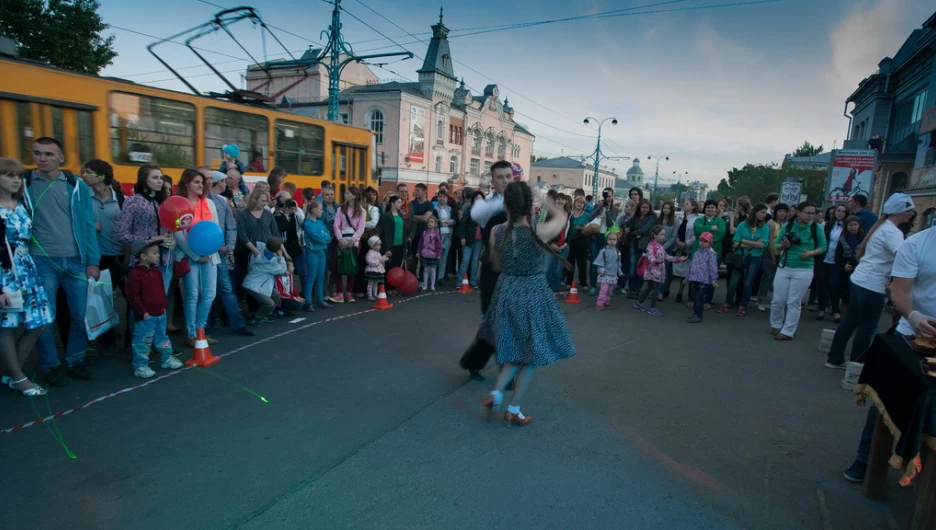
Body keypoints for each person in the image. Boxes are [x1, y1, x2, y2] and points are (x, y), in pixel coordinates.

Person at [841, 225, 936, 483]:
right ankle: (866, 458)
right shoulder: (917, 244)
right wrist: (914, 316)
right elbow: (900, 291)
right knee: (887, 396)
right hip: (913, 336)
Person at [478, 181, 575, 426]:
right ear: (529, 206)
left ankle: (496, 392)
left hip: (506, 291)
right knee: (530, 357)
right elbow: (562, 217)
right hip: (532, 293)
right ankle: (513, 409)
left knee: (514, 350)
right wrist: (543, 197)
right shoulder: (538, 232)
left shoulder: (497, 231)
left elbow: (496, 265)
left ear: (506, 204)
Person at [23, 137, 100, 387]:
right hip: (41, 261)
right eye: (37, 153)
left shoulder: (74, 185)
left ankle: (75, 360)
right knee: (45, 319)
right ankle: (51, 364)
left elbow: (88, 224)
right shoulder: (24, 183)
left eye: (48, 154)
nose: (42, 158)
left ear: (61, 158)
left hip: (76, 261)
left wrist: (93, 260)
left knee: (80, 316)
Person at [825, 193, 916, 368]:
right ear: (900, 211)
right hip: (872, 285)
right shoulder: (893, 232)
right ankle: (856, 365)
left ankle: (835, 358)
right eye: (909, 210)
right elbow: (904, 258)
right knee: (866, 328)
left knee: (850, 321)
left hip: (860, 280)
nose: (911, 214)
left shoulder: (882, 228)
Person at [0, 157, 53, 396]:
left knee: (39, 321)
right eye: (8, 175)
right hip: (5, 271)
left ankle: (12, 373)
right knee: (7, 325)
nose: (15, 180)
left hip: (26, 268)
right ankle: (19, 378)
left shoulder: (22, 203)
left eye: (18, 176)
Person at [459, 160, 510, 381]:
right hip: (492, 270)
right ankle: (480, 364)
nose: (506, 181)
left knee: (508, 321)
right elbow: (477, 214)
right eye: (501, 177)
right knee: (493, 320)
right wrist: (509, 202)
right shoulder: (486, 205)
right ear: (493, 181)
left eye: (509, 176)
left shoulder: (521, 206)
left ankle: (496, 368)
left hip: (513, 271)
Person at [79, 159, 124, 354]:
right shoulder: (82, 197)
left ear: (102, 176)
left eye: (88, 172)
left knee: (127, 295)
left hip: (119, 254)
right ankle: (105, 339)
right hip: (97, 256)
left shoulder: (121, 199)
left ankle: (132, 337)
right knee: (100, 297)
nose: (83, 175)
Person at [173, 169, 221, 348]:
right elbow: (178, 234)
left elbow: (215, 228)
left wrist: (210, 250)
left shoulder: (209, 203)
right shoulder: (179, 204)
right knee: (192, 295)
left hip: (209, 255)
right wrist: (194, 255)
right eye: (196, 182)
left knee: (209, 293)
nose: (201, 185)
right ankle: (191, 334)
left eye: (202, 182)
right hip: (189, 255)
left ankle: (201, 331)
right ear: (186, 184)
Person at [206, 170, 255, 338]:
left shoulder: (221, 201)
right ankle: (205, 326)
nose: (225, 184)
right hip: (202, 252)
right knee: (206, 291)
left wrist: (228, 246)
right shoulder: (201, 201)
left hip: (219, 253)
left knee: (226, 288)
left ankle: (238, 324)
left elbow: (230, 225)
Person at [126, 240, 183, 378]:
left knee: (162, 338)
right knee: (142, 341)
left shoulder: (156, 271)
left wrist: (163, 307)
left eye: (158, 253)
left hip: (159, 313)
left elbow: (162, 290)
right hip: (146, 316)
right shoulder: (135, 274)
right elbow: (133, 295)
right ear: (143, 256)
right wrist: (143, 312)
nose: (158, 256)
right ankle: (140, 366)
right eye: (155, 253)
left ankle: (166, 358)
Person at [770, 201, 826, 341]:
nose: (810, 216)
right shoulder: (788, 225)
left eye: (812, 213)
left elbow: (823, 246)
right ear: (799, 212)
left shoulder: (816, 228)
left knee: (794, 301)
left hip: (804, 268)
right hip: (785, 266)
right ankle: (776, 324)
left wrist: (811, 253)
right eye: (807, 213)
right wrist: (783, 246)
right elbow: (777, 245)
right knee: (778, 299)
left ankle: (788, 331)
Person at [717, 203, 770, 317]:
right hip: (740, 256)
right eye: (762, 212)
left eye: (765, 213)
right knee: (733, 282)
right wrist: (753, 244)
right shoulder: (743, 225)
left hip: (755, 257)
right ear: (755, 212)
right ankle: (727, 303)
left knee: (748, 283)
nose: (764, 215)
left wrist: (745, 241)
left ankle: (742, 306)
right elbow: (736, 242)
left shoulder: (764, 227)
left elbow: (763, 245)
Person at [236, 186, 280, 298]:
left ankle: (267, 309)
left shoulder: (268, 214)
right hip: (249, 253)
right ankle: (254, 309)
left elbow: (275, 234)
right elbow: (242, 235)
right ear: (255, 199)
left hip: (268, 252)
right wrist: (256, 252)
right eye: (263, 200)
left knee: (268, 281)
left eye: (267, 201)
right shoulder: (243, 215)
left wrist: (282, 253)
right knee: (252, 281)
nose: (265, 203)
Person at [635, 225, 686, 316]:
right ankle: (652, 307)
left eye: (664, 234)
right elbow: (650, 257)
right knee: (655, 290)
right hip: (653, 273)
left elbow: (666, 257)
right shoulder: (651, 246)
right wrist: (656, 261)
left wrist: (678, 259)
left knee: (649, 288)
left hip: (657, 273)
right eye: (661, 234)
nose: (663, 236)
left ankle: (640, 302)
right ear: (654, 235)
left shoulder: (660, 246)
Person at [244, 237, 287, 325]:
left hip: (261, 283)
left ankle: (266, 314)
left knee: (276, 295)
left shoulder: (266, 252)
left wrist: (278, 256)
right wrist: (281, 257)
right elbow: (282, 270)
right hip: (253, 286)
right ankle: (256, 318)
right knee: (269, 304)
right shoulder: (269, 262)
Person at [816, 204, 849, 320]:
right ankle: (821, 309)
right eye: (838, 211)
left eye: (843, 212)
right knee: (822, 284)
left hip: (836, 261)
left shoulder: (846, 227)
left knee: (833, 285)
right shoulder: (826, 225)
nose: (840, 213)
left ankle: (835, 310)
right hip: (823, 259)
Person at [333, 186, 365, 302]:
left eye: (347, 193)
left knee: (352, 266)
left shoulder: (361, 211)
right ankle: (340, 293)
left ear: (354, 196)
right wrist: (340, 240)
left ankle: (349, 293)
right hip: (342, 240)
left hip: (354, 242)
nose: (345, 195)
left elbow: (361, 228)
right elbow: (336, 225)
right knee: (338, 266)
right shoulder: (340, 209)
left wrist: (353, 240)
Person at [692, 200, 727, 309]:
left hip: (713, 253)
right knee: (695, 277)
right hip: (698, 253)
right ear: (704, 208)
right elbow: (697, 230)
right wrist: (711, 228)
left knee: (711, 277)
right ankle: (693, 299)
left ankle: (708, 300)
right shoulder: (699, 219)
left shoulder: (720, 221)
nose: (710, 209)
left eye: (712, 207)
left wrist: (705, 234)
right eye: (708, 207)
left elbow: (720, 234)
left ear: (716, 209)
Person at [301, 200, 332, 312]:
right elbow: (318, 237)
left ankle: (320, 299)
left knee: (320, 277)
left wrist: (322, 238)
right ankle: (308, 301)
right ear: (314, 210)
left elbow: (328, 236)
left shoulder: (319, 223)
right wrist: (323, 238)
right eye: (320, 209)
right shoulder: (307, 223)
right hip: (312, 253)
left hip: (321, 252)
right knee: (311, 278)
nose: (322, 212)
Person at [757, 203, 788, 312]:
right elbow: (769, 241)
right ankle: (760, 301)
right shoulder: (771, 223)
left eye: (784, 211)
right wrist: (772, 257)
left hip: (780, 254)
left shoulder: (784, 224)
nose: (782, 213)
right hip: (769, 254)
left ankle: (769, 301)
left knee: (774, 279)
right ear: (776, 212)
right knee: (767, 278)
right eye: (780, 211)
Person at [833, 216, 865, 322]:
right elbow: (837, 256)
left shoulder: (865, 238)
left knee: (857, 298)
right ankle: (843, 320)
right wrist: (843, 265)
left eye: (855, 225)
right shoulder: (842, 239)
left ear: (859, 226)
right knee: (845, 296)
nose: (853, 227)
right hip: (845, 271)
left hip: (860, 270)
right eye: (850, 225)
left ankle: (855, 321)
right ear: (846, 226)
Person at [670, 198, 700, 303]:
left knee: (688, 271)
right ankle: (670, 291)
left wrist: (686, 243)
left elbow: (696, 234)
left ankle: (685, 294)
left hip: (689, 247)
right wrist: (677, 240)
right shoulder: (679, 217)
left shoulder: (696, 219)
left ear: (693, 207)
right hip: (678, 245)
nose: (685, 205)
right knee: (676, 269)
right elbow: (676, 230)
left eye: (687, 204)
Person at [625, 199, 656, 298]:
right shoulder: (636, 216)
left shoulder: (652, 217)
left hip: (644, 246)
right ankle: (631, 289)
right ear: (640, 208)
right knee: (632, 269)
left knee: (641, 269)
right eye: (643, 207)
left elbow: (646, 229)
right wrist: (627, 228)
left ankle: (638, 290)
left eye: (647, 207)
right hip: (634, 244)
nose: (645, 209)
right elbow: (628, 223)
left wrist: (633, 232)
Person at [686, 232, 719, 324]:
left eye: (705, 241)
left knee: (700, 298)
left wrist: (713, 280)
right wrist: (687, 276)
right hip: (693, 279)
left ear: (710, 243)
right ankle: (695, 314)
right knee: (695, 297)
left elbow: (713, 267)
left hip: (703, 280)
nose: (702, 243)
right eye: (701, 241)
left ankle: (698, 315)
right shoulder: (696, 252)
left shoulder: (711, 254)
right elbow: (691, 265)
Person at [456, 191, 485, 289]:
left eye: (480, 198)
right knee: (465, 260)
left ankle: (473, 281)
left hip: (479, 240)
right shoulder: (469, 210)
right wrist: (462, 237)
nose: (478, 200)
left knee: (475, 261)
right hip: (468, 238)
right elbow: (463, 224)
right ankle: (460, 281)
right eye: (477, 198)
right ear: (473, 200)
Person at [544, 193, 571, 293]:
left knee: (559, 271)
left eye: (562, 199)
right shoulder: (548, 213)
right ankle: (546, 291)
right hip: (550, 246)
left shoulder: (568, 215)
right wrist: (551, 244)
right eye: (558, 199)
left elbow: (571, 232)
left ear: (566, 201)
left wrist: (565, 244)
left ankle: (554, 291)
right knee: (547, 269)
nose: (560, 201)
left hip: (564, 246)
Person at [593, 228, 624, 311]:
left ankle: (606, 301)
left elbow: (618, 263)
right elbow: (600, 262)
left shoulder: (618, 252)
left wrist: (620, 272)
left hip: (613, 274)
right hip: (605, 274)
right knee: (604, 289)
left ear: (617, 241)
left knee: (610, 290)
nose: (612, 241)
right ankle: (599, 303)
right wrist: (601, 270)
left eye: (614, 239)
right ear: (606, 240)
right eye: (610, 239)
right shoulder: (604, 251)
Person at [658, 202, 678, 300]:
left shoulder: (675, 221)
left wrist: (664, 247)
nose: (666, 210)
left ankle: (661, 292)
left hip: (667, 248)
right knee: (655, 270)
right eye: (664, 208)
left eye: (668, 208)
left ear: (671, 210)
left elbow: (674, 237)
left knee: (664, 271)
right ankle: (654, 291)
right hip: (657, 246)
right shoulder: (659, 219)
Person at [433, 192, 454, 282]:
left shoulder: (449, 209)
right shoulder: (434, 208)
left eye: (444, 196)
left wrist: (443, 221)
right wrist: (446, 221)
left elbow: (453, 221)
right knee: (436, 257)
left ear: (446, 198)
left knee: (444, 258)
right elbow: (435, 221)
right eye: (440, 196)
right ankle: (433, 276)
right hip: (437, 236)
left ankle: (440, 278)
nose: (442, 198)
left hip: (447, 236)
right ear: (437, 198)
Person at [418, 217, 443, 292]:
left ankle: (432, 286)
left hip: (433, 255)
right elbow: (420, 243)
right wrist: (418, 252)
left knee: (433, 270)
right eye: (429, 222)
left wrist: (438, 254)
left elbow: (438, 245)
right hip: (425, 254)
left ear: (435, 224)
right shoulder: (424, 233)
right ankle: (425, 285)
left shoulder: (436, 234)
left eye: (432, 222)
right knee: (426, 270)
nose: (430, 223)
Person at [364, 235, 390, 301]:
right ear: (372, 246)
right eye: (378, 245)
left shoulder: (377, 252)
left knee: (375, 283)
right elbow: (370, 261)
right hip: (372, 270)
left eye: (379, 245)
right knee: (370, 283)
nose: (379, 246)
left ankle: (375, 294)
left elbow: (380, 259)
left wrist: (384, 258)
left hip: (377, 270)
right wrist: (379, 261)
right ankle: (370, 295)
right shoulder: (370, 253)